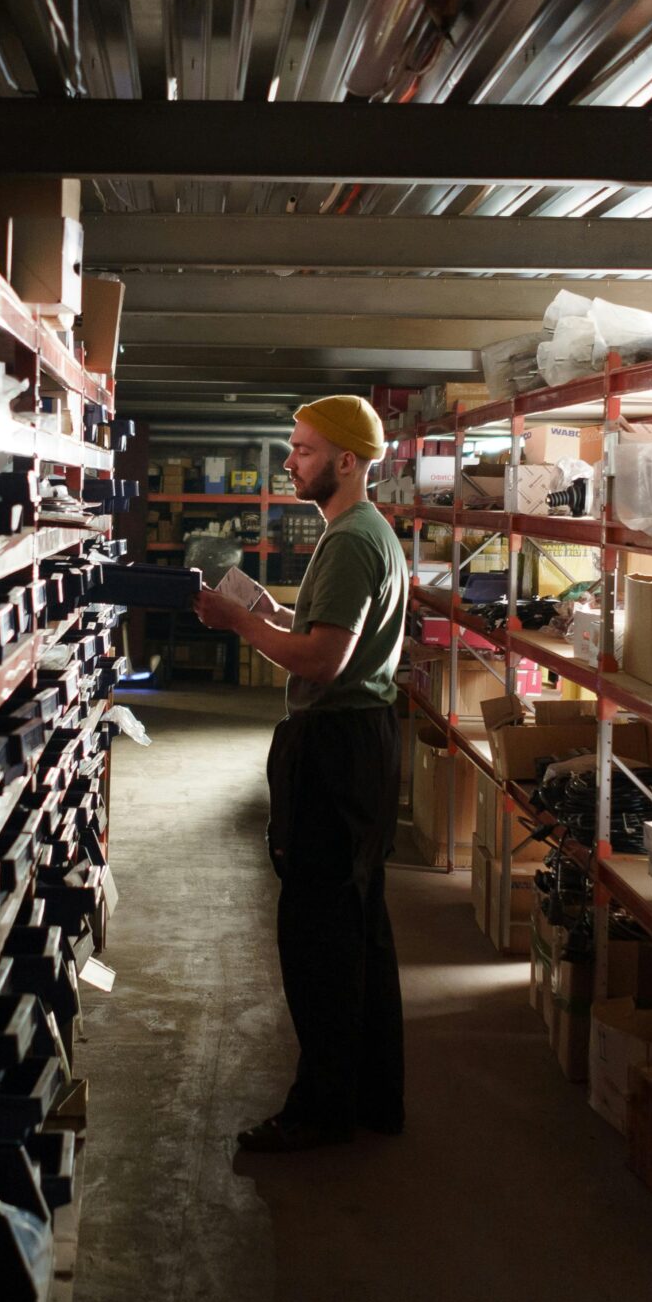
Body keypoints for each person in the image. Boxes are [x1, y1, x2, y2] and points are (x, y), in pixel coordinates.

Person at [193, 395, 408, 1153]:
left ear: (346, 461)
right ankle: (373, 1096)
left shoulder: (351, 540)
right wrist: (267, 610)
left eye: (304, 449)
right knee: (358, 923)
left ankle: (321, 1110)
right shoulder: (357, 535)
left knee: (317, 931)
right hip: (362, 738)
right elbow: (320, 632)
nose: (290, 460)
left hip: (339, 746)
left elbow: (323, 659)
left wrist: (240, 624)